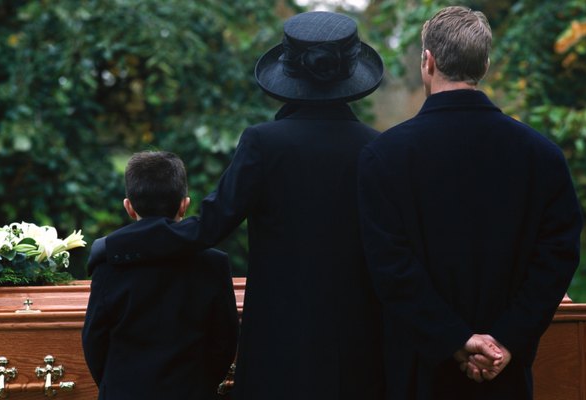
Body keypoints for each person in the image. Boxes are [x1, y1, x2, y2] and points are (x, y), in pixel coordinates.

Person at [90, 11, 386, 400]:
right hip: (357, 341)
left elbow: (207, 228)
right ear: (350, 74)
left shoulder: (264, 143)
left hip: (278, 345)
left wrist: (119, 246)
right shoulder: (376, 147)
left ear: (290, 75)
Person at [357, 6, 583, 400]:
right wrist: (506, 340)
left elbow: (390, 266)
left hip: (419, 371)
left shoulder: (386, 156)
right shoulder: (542, 156)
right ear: (486, 63)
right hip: (504, 373)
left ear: (427, 61)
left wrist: (455, 340)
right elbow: (557, 258)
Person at [81, 151, 239, 400]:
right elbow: (225, 341)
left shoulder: (109, 264)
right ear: (184, 205)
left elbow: (94, 341)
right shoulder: (214, 263)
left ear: (129, 207)